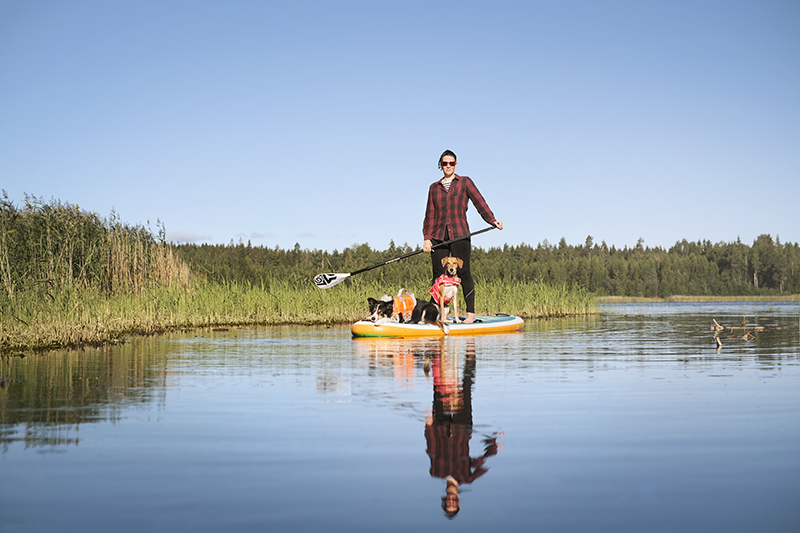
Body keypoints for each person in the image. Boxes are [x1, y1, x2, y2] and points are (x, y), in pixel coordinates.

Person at [422, 150, 503, 323]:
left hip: (460, 234)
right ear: (440, 166)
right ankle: (435, 314)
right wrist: (427, 238)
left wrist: (492, 220)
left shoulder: (465, 182)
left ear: (456, 165)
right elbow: (429, 214)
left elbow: (479, 202)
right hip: (438, 236)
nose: (448, 166)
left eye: (451, 163)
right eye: (445, 163)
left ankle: (470, 314)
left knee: (464, 272)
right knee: (438, 275)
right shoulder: (433, 188)